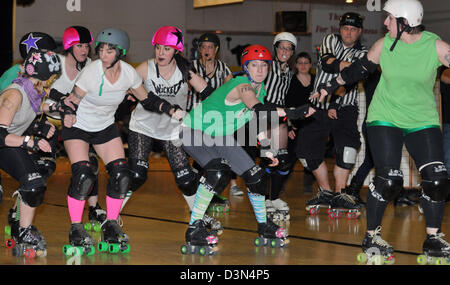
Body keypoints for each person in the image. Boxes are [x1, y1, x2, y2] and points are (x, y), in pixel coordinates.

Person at [314, 0, 450, 262]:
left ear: (405, 21)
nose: (385, 23)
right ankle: (372, 235)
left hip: (422, 119)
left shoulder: (435, 45)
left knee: (436, 180)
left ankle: (433, 238)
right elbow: (356, 71)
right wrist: (329, 88)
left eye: (389, 18)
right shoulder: (383, 45)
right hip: (385, 118)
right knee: (389, 180)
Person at [179, 44, 315, 254]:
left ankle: (263, 226)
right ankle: (194, 227)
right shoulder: (242, 83)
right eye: (254, 65)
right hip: (194, 130)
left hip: (220, 136)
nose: (260, 70)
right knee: (218, 173)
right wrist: (291, 112)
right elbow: (258, 108)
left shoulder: (261, 89)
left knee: (256, 176)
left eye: (264, 65)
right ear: (246, 67)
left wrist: (267, 149)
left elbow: (254, 120)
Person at [59, 27, 184, 255]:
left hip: (104, 128)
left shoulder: (128, 73)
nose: (103, 54)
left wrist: (170, 109)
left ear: (121, 52)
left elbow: (147, 99)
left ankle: (111, 223)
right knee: (85, 174)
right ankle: (76, 228)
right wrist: (67, 113)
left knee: (121, 174)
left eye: (110, 50)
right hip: (78, 127)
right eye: (102, 50)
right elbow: (72, 100)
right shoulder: (91, 72)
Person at [122, 26, 223, 234]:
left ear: (176, 51)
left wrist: (229, 109)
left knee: (186, 179)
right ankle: (112, 217)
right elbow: (124, 88)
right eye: (158, 48)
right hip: (143, 127)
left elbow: (208, 93)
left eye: (166, 49)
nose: (160, 53)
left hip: (171, 131)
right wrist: (129, 93)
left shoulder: (185, 71)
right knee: (137, 175)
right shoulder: (145, 68)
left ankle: (200, 218)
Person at [300, 12, 367, 216]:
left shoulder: (363, 52)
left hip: (346, 106)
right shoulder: (331, 40)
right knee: (305, 153)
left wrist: (336, 103)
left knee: (347, 149)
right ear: (340, 29)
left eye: (353, 29)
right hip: (318, 104)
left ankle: (341, 194)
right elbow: (329, 62)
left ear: (359, 32)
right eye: (345, 28)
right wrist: (354, 68)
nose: (348, 32)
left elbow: (352, 79)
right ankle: (326, 192)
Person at [46, 26, 108, 231]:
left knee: (89, 164)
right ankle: (19, 208)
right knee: (42, 167)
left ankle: (93, 208)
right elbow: (43, 89)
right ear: (69, 46)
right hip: (51, 120)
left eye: (86, 45)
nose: (84, 49)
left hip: (77, 122)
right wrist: (60, 99)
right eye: (79, 45)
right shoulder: (56, 63)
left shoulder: (91, 65)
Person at [0, 50, 61, 257]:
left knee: (34, 184)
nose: (51, 83)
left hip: (7, 144)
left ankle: (23, 231)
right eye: (50, 78)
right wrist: (29, 141)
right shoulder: (14, 95)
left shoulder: (32, 90)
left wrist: (59, 108)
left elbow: (35, 107)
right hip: (3, 141)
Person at [263, 32, 297, 221]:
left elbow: (285, 99)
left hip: (280, 117)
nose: (285, 51)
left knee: (282, 159)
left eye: (288, 48)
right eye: (281, 47)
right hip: (264, 115)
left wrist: (290, 124)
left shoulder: (288, 73)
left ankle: (274, 198)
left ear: (292, 52)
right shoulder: (267, 66)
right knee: (268, 158)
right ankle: (265, 199)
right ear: (275, 48)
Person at [286, 52, 316, 196]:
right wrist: (288, 126)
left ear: (310, 65)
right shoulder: (290, 81)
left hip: (312, 124)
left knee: (310, 155)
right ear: (296, 65)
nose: (303, 65)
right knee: (290, 156)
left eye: (306, 63)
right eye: (300, 63)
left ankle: (308, 183)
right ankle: (281, 182)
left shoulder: (316, 81)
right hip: (295, 125)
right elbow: (286, 105)